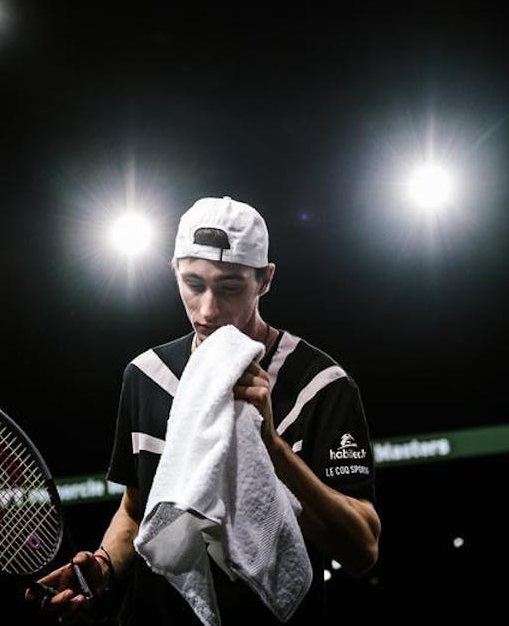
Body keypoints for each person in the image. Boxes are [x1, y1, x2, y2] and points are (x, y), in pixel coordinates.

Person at [28, 196, 380, 624]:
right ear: (173, 270)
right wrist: (101, 567)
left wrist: (271, 445)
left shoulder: (319, 385)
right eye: (193, 284)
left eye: (230, 287)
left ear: (264, 280)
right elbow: (136, 512)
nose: (208, 310)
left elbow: (362, 549)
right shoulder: (148, 376)